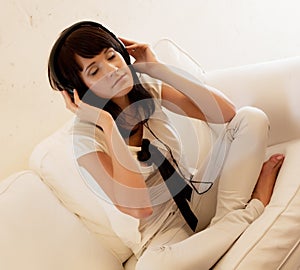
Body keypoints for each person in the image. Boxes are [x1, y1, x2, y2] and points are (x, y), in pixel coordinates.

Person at [48, 21, 284, 270]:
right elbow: (140, 207)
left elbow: (225, 113)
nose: (111, 70)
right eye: (94, 71)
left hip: (197, 198)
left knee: (251, 118)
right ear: (80, 90)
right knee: (151, 267)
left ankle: (223, 227)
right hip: (162, 233)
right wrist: (106, 123)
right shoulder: (86, 138)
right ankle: (251, 210)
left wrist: (157, 69)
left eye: (111, 56)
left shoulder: (146, 89)